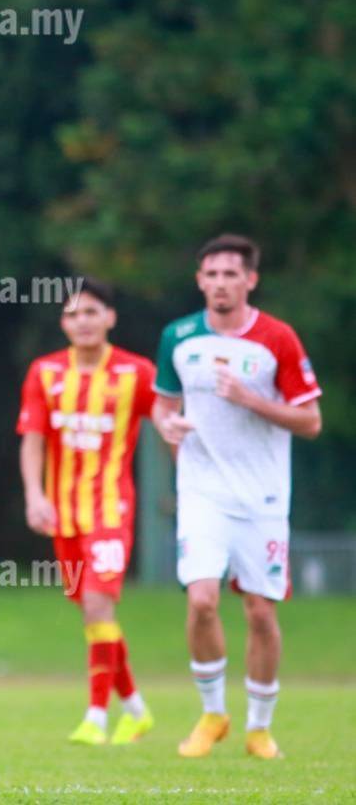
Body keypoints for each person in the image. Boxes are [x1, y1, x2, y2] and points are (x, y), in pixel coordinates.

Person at [150, 234, 322, 760]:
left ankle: (260, 728)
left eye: (231, 274)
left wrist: (251, 399)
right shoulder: (178, 336)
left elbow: (310, 420)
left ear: (251, 280)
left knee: (260, 613)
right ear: (200, 281)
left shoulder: (277, 339)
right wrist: (168, 427)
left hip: (262, 497)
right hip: (202, 493)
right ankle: (212, 714)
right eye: (212, 274)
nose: (220, 283)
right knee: (202, 599)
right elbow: (162, 406)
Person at [16, 279, 156, 746]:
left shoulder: (137, 373)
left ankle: (96, 717)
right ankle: (135, 710)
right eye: (73, 314)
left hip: (111, 512)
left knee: (98, 606)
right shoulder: (45, 372)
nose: (83, 322)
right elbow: (33, 440)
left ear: (110, 318)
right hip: (64, 515)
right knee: (95, 615)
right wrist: (35, 495)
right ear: (63, 323)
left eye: (92, 312)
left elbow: (170, 426)